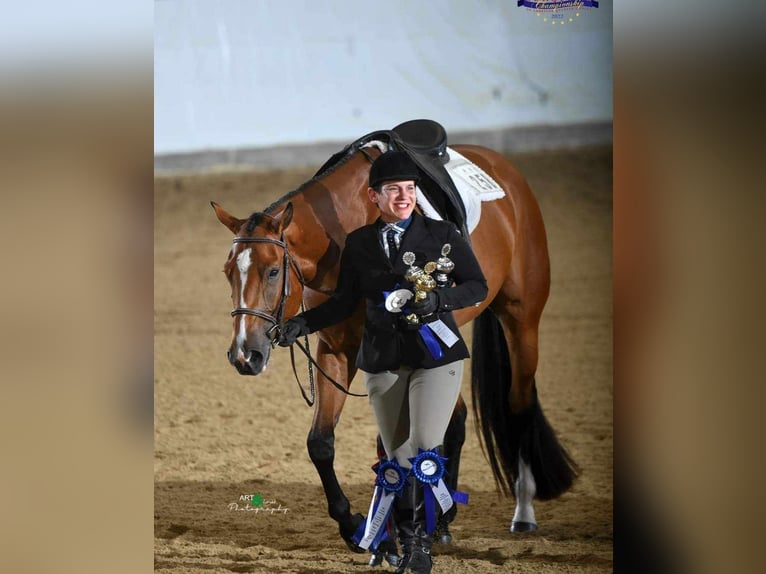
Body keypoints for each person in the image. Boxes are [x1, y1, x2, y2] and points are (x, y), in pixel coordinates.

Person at [278, 150, 488, 574]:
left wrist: (439, 299)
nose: (404, 197)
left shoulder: (442, 233)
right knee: (397, 459)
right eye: (394, 190)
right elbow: (343, 302)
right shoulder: (359, 244)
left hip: (436, 357)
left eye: (409, 189)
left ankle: (419, 543)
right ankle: (411, 543)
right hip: (384, 363)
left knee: (422, 446)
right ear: (374, 197)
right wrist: (299, 325)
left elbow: (477, 285)